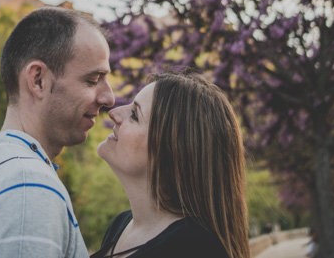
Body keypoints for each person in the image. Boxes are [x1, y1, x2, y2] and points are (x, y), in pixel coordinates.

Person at [0, 7, 115, 258]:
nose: (109, 98)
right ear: (38, 80)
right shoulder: (27, 187)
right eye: (93, 80)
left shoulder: (3, 167)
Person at [92, 71, 250, 258]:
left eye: (134, 114)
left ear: (171, 149)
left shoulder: (197, 249)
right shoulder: (120, 225)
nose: (113, 113)